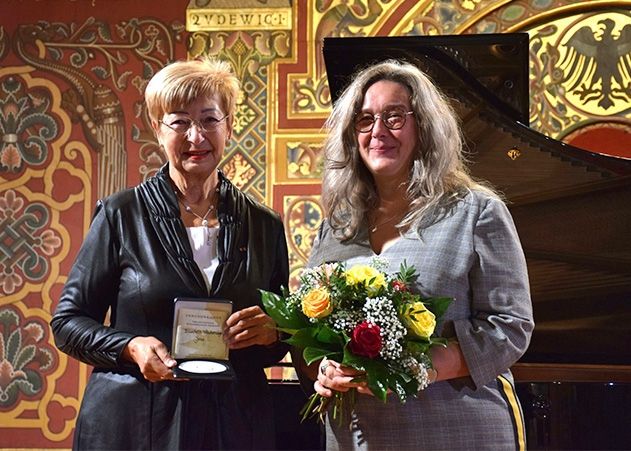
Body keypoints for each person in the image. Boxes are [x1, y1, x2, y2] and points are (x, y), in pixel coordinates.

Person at [51, 57, 289, 450]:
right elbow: (68, 322)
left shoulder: (264, 225)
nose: (196, 136)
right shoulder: (120, 215)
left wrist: (273, 331)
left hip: (235, 427)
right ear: (158, 131)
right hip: (136, 425)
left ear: (229, 125)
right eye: (179, 122)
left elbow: (282, 338)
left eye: (209, 120)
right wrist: (130, 347)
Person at [299, 59, 534, 450]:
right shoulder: (337, 226)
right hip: (355, 437)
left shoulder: (476, 211)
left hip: (455, 431)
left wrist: (411, 370)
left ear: (424, 126)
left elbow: (510, 326)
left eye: (394, 117)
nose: (377, 131)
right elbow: (306, 335)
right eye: (365, 119)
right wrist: (323, 369)